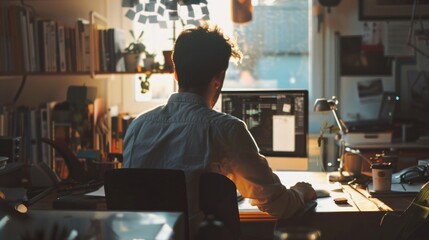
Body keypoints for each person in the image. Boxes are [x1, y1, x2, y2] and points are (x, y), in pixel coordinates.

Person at [122, 23, 316, 238]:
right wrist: (301, 190)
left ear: (175, 72)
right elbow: (279, 205)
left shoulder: (138, 126)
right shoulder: (226, 130)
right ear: (219, 78)